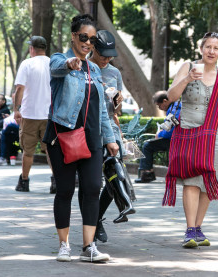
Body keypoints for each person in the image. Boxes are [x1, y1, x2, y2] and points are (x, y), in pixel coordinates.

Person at [42, 14, 119, 263]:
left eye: (92, 39)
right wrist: (69, 65)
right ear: (74, 36)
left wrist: (110, 138)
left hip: (91, 138)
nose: (88, 43)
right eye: (84, 37)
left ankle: (89, 246)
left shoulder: (95, 69)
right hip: (63, 135)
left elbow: (101, 111)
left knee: (92, 189)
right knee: (64, 190)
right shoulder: (59, 59)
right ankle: (64, 245)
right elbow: (55, 69)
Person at [165, 32, 218, 248]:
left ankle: (198, 227)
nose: (212, 51)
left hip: (214, 134)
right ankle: (189, 229)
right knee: (191, 181)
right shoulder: (188, 67)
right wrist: (187, 79)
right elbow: (170, 96)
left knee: (207, 183)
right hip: (188, 131)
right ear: (201, 49)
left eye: (216, 48)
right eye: (208, 47)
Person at [88, 29, 136, 243]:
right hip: (89, 129)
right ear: (93, 49)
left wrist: (118, 101)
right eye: (103, 54)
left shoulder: (114, 73)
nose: (107, 58)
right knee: (92, 182)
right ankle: (91, 223)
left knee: (114, 176)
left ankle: (97, 219)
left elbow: (116, 111)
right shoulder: (83, 67)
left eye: (110, 55)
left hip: (110, 127)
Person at [13, 36, 54, 192]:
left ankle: (24, 182)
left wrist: (16, 109)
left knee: (28, 152)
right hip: (49, 115)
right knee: (51, 150)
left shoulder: (27, 64)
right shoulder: (53, 63)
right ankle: (55, 182)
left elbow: (20, 89)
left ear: (31, 49)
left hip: (29, 114)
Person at [135, 91, 181, 183]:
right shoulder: (178, 106)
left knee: (147, 145)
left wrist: (159, 134)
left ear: (165, 101)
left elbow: (170, 130)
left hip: (175, 140)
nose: (159, 108)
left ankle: (147, 174)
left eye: (159, 105)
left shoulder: (174, 109)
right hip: (179, 139)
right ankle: (148, 173)